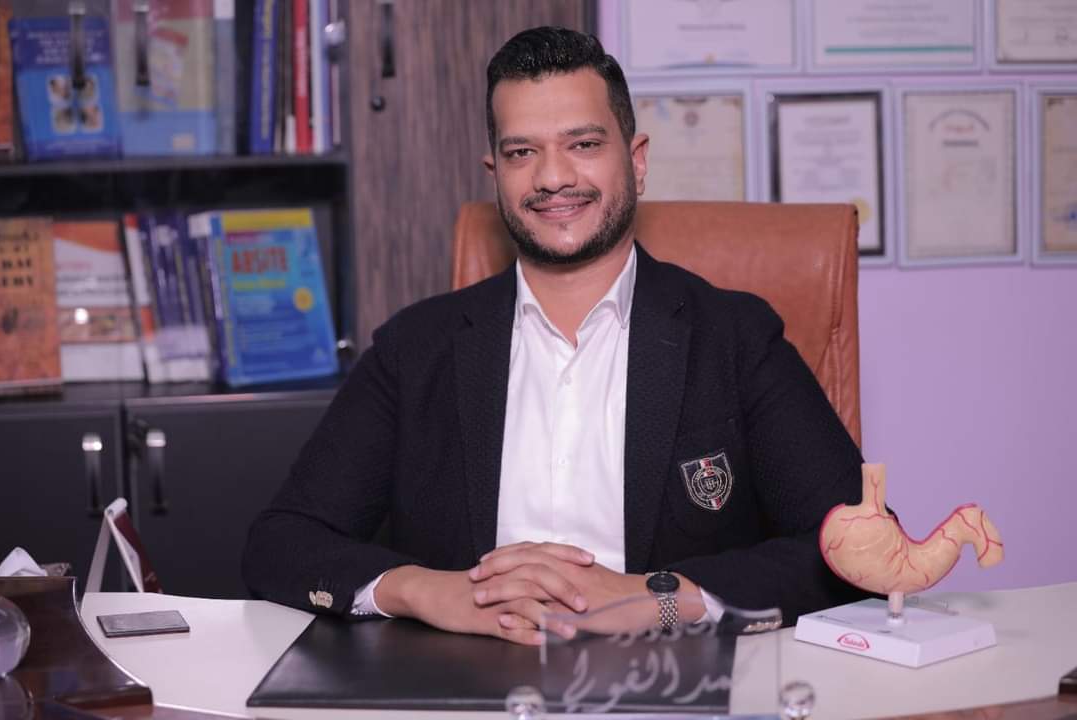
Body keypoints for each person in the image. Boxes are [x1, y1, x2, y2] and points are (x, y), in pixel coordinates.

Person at [242, 26, 866, 645]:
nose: (552, 177)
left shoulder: (734, 338)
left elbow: (860, 545)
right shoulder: (416, 349)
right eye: (522, 153)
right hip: (466, 678)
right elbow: (281, 543)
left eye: (584, 144)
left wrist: (661, 599)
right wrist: (425, 590)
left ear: (637, 160)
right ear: (495, 173)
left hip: (672, 677)